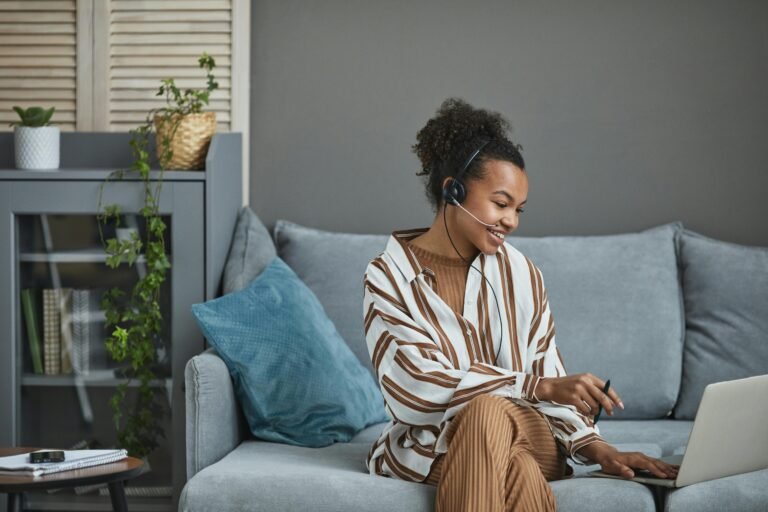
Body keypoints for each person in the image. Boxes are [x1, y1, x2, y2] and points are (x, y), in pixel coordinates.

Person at [362, 98, 679, 511]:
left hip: (532, 432)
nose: (511, 221)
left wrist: (601, 451)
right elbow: (412, 390)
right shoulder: (387, 275)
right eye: (501, 203)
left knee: (486, 412)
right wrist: (533, 386)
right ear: (452, 190)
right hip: (434, 445)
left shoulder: (521, 273)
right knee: (510, 459)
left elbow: (548, 372)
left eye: (518, 210)